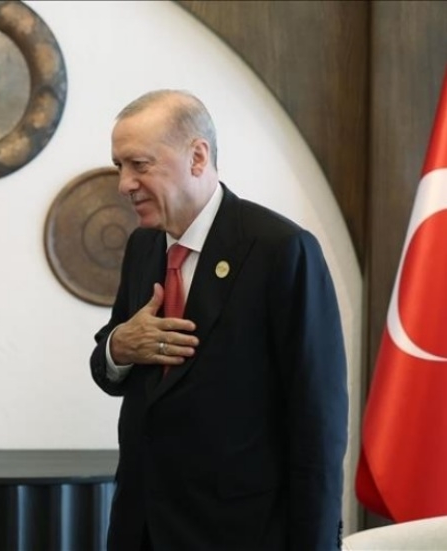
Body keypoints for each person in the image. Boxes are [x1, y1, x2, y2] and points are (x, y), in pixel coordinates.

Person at [90, 90, 348, 550]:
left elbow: (318, 425)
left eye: (139, 165)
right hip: (142, 528)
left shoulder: (280, 250)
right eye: (119, 166)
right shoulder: (143, 247)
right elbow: (111, 368)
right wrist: (118, 348)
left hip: (238, 532)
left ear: (197, 156)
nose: (124, 184)